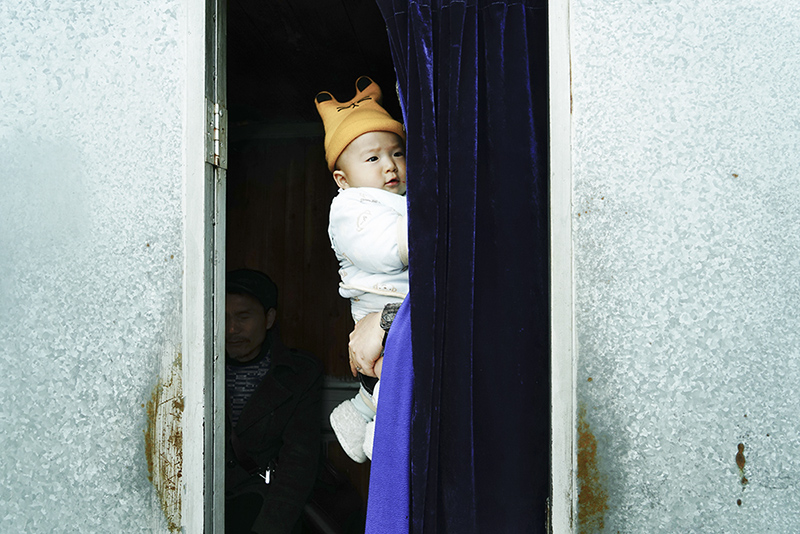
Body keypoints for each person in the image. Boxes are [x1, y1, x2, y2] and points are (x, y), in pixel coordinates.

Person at [315, 76, 409, 463]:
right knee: (400, 374)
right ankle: (383, 439)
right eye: (373, 159)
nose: (389, 165)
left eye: (397, 153)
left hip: (397, 308)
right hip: (378, 305)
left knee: (395, 374)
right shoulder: (351, 207)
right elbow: (387, 251)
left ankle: (357, 414)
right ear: (343, 179)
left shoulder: (400, 200)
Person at [225, 269, 323, 534]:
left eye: (243, 317)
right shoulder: (195, 370)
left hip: (263, 508)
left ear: (268, 318)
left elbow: (298, 465)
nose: (231, 329)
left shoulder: (299, 374)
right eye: (223, 317)